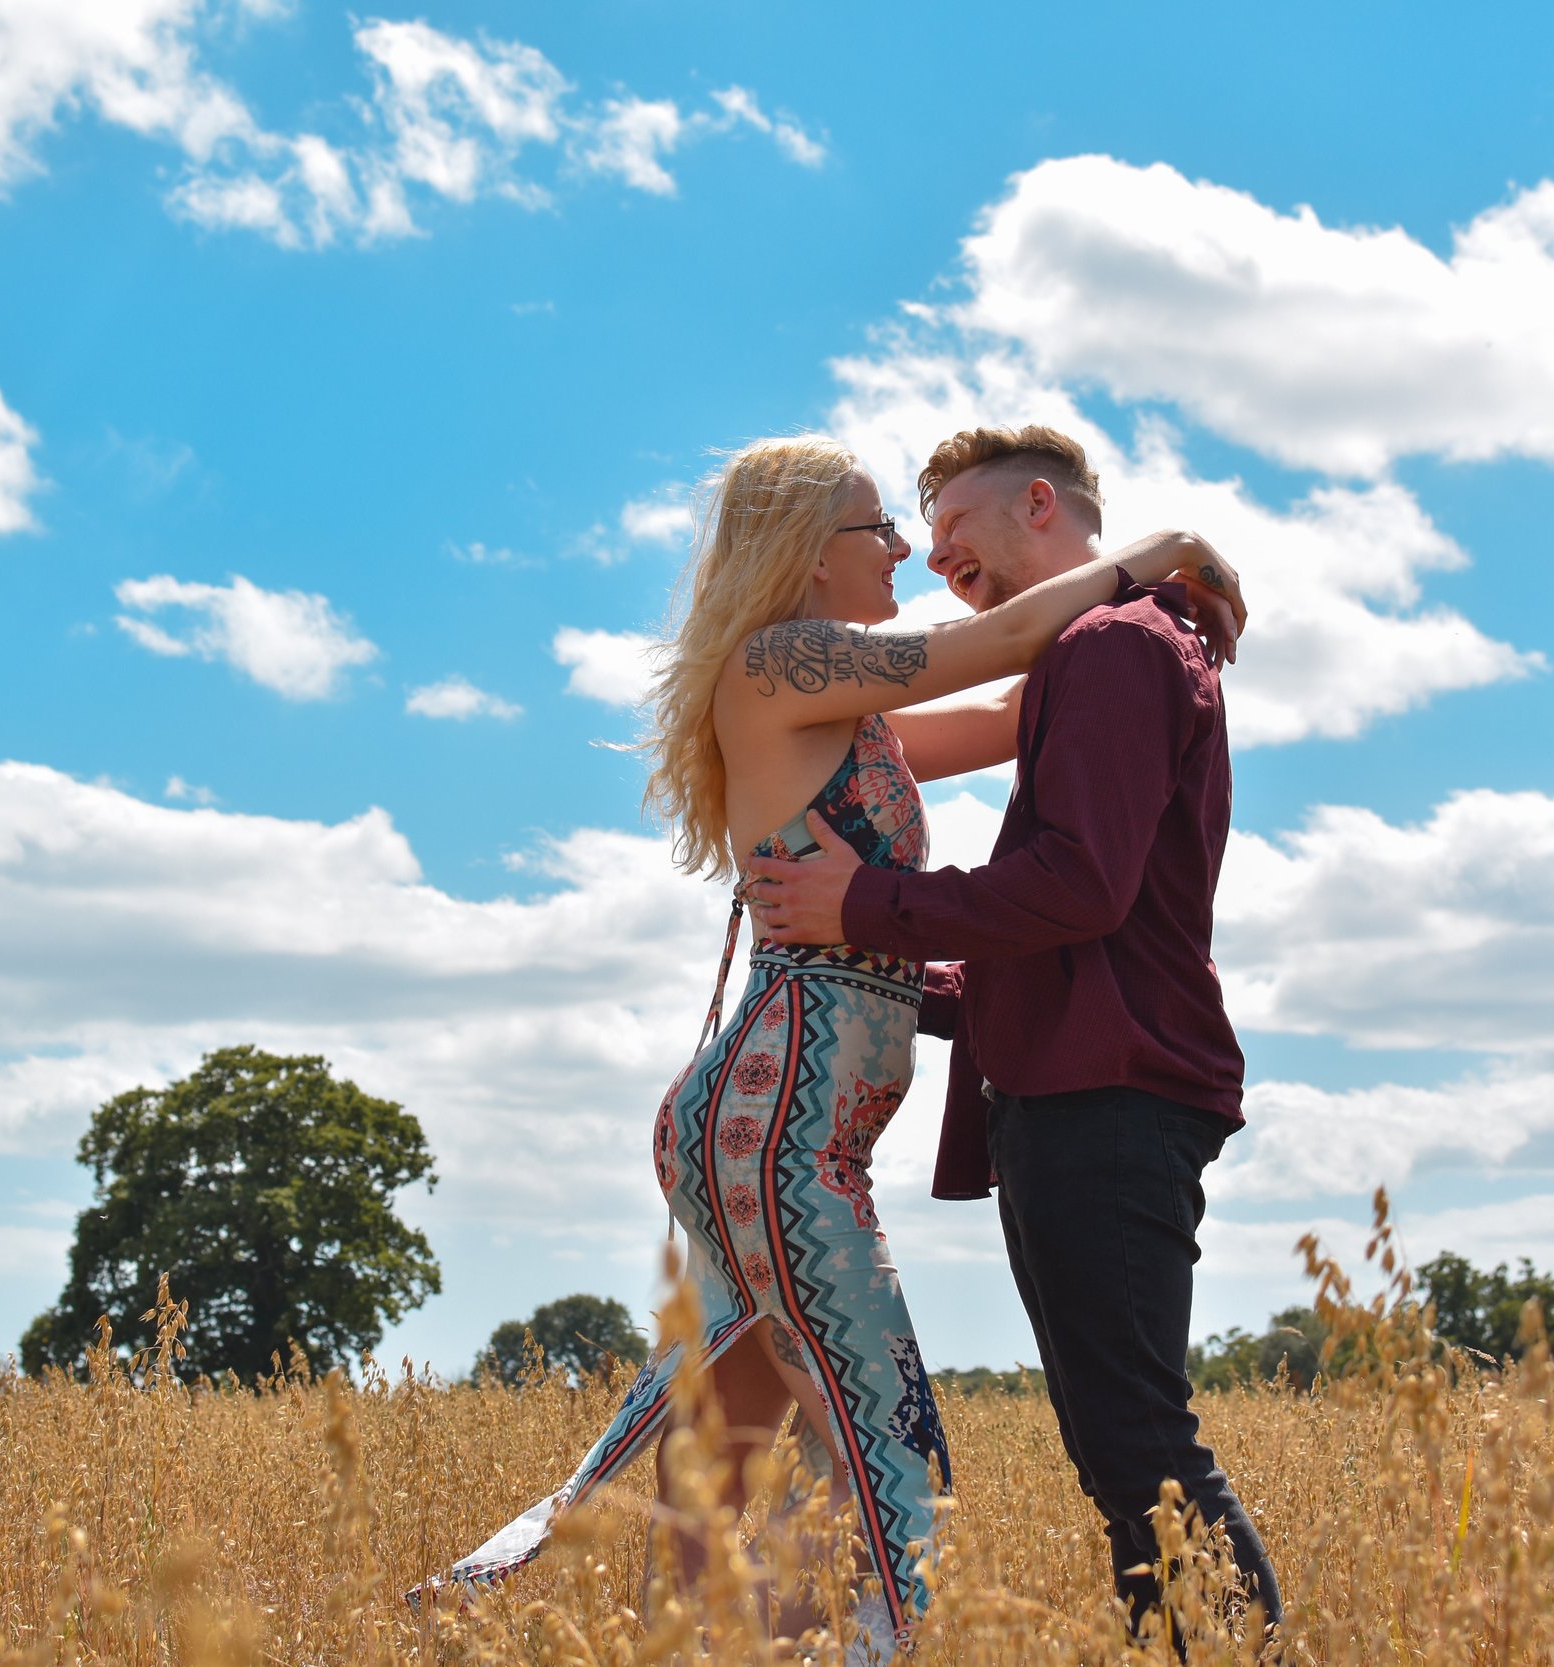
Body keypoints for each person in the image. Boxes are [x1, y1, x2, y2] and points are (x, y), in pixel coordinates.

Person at [419, 434, 1245, 1656]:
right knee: (889, 1446)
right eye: (879, 529)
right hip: (780, 1125)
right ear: (809, 552)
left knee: (732, 1445)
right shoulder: (778, 661)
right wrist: (1164, 552)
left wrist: (1148, 632)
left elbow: (1034, 701)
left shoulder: (857, 726)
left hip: (780, 1120)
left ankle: (637, 1636)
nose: (905, 550)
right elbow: (1003, 648)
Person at [746, 423, 1282, 1647]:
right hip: (1092, 1084)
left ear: (1039, 503)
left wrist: (862, 904)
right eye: (917, 545)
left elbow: (1076, 885)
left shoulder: (1104, 644)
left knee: (1137, 1441)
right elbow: (1072, 928)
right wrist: (870, 953)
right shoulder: (1109, 650)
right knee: (1121, 1444)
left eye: (953, 532)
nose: (938, 562)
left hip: (1107, 1097)